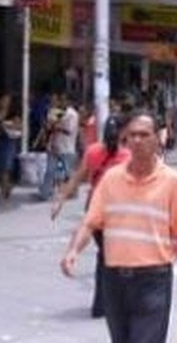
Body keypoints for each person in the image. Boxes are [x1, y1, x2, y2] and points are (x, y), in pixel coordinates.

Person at [60, 113, 177, 343]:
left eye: (143, 135)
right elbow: (91, 221)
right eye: (131, 135)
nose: (136, 141)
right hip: (115, 281)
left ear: (157, 139)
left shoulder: (172, 182)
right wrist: (74, 250)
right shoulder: (112, 179)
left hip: (153, 281)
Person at [52, 117, 132, 318]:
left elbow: (77, 177)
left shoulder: (94, 152)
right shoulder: (126, 156)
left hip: (96, 208)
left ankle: (102, 304)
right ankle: (109, 303)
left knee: (105, 256)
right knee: (112, 257)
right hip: (114, 212)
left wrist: (61, 199)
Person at [39, 92, 79, 202]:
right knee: (50, 170)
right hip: (53, 146)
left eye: (64, 100)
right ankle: (45, 193)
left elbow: (69, 130)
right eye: (60, 100)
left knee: (68, 171)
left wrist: (56, 125)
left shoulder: (72, 114)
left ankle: (72, 191)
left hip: (67, 147)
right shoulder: (53, 112)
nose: (61, 102)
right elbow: (48, 127)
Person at [0, 92, 22, 203]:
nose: (6, 102)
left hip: (10, 141)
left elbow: (19, 126)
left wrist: (6, 124)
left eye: (8, 100)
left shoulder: (13, 112)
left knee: (6, 167)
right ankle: (7, 186)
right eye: (4, 99)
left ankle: (3, 192)